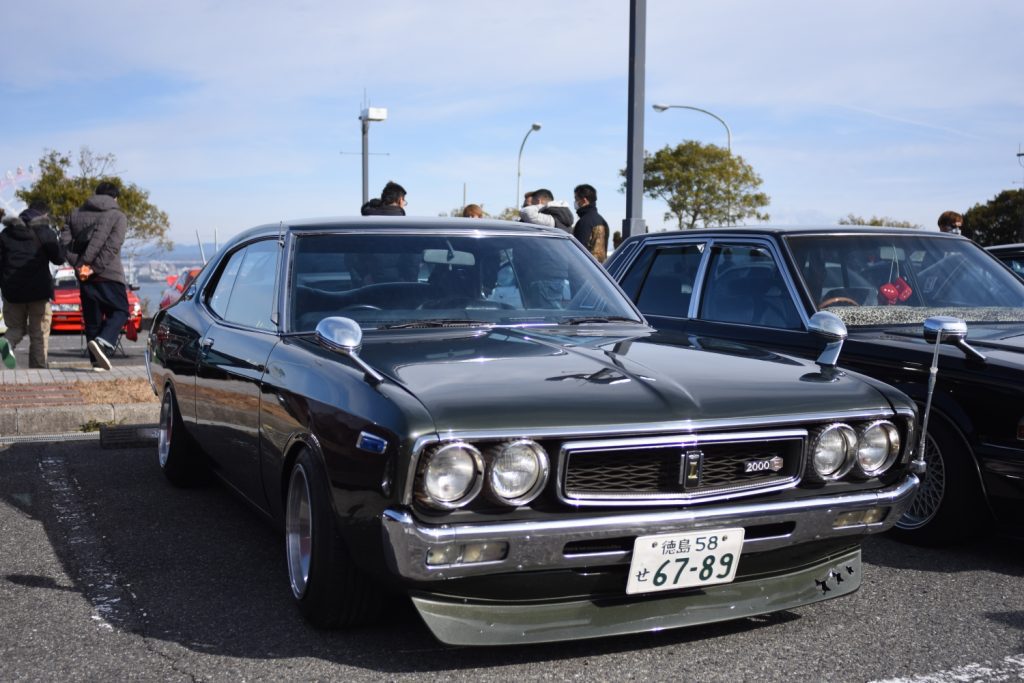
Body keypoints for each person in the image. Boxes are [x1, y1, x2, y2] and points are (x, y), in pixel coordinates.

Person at [63, 181, 129, 371]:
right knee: (121, 311)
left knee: (93, 319)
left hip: (85, 278)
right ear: (115, 197)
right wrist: (95, 267)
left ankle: (95, 363)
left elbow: (65, 243)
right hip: (109, 274)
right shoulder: (118, 216)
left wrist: (80, 266)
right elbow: (111, 247)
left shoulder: (74, 215)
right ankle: (102, 342)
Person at [0, 201, 65, 368]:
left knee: (15, 328)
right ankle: (38, 369)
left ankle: (7, 342)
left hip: (12, 291)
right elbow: (59, 258)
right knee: (39, 333)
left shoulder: (6, 233)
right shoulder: (45, 233)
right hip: (39, 292)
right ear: (44, 215)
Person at [573, 184, 609, 262]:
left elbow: (579, 252)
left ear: (584, 200)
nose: (575, 202)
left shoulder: (584, 222)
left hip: (584, 270)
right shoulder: (602, 221)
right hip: (600, 270)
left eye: (576, 199)